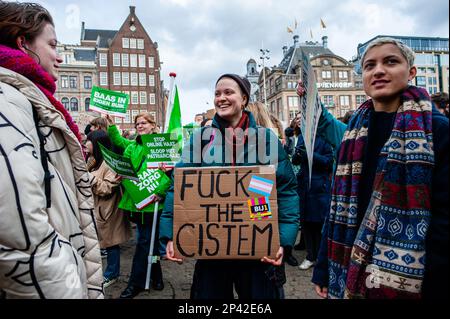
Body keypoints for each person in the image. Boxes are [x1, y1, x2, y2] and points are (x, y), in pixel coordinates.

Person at [298, 37, 448, 299]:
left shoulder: (438, 131)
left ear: (411, 71)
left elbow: (445, 220)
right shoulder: (351, 136)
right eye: (369, 65)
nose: (378, 70)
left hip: (411, 278)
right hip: (349, 267)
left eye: (390, 61)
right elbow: (335, 212)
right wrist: (323, 268)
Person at [160, 73, 300, 299]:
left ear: (244, 98)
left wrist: (283, 240)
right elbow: (179, 185)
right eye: (217, 93)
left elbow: (286, 191)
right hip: (212, 248)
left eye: (228, 92)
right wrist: (170, 235)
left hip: (258, 247)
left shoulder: (266, 139)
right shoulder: (201, 138)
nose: (221, 98)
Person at [0, 1, 103, 298]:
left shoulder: (32, 103)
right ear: (24, 44)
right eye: (53, 46)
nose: (59, 58)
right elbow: (20, 236)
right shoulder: (9, 102)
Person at [106, 112, 166, 298]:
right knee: (150, 245)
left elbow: (170, 175)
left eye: (143, 123)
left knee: (143, 243)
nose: (140, 126)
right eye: (137, 123)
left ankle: (136, 283)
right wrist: (122, 172)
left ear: (152, 125)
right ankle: (157, 275)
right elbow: (120, 149)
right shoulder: (132, 146)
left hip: (153, 203)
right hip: (137, 202)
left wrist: (161, 192)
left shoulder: (161, 144)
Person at [86, 130, 131, 288]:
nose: (86, 144)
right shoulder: (93, 160)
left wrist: (89, 178)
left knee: (111, 243)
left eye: (88, 140)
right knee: (104, 242)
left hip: (109, 210)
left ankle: (112, 274)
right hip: (98, 209)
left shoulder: (109, 163)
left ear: (97, 143)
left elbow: (106, 188)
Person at [291, 132, 333, 270]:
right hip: (304, 188)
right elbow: (296, 161)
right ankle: (310, 256)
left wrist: (310, 154)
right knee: (306, 223)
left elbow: (328, 162)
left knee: (319, 223)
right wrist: (297, 155)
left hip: (319, 188)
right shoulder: (303, 137)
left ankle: (321, 258)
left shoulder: (327, 136)